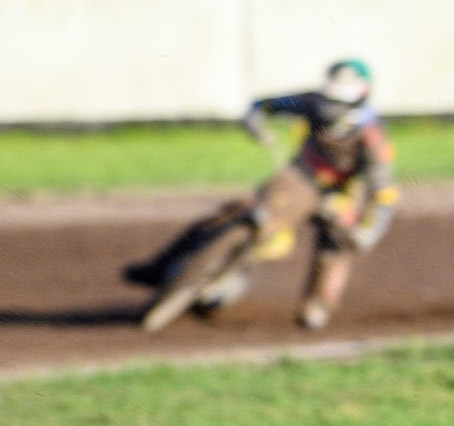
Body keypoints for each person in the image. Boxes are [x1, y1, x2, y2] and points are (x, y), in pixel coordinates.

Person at [123, 59, 399, 330]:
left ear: (361, 97)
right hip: (302, 176)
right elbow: (265, 105)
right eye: (329, 99)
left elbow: (383, 191)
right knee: (242, 211)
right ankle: (163, 267)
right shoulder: (309, 101)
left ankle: (319, 305)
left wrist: (369, 231)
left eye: (339, 102)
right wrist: (254, 119)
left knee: (339, 239)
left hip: (342, 190)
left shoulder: (372, 136)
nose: (330, 108)